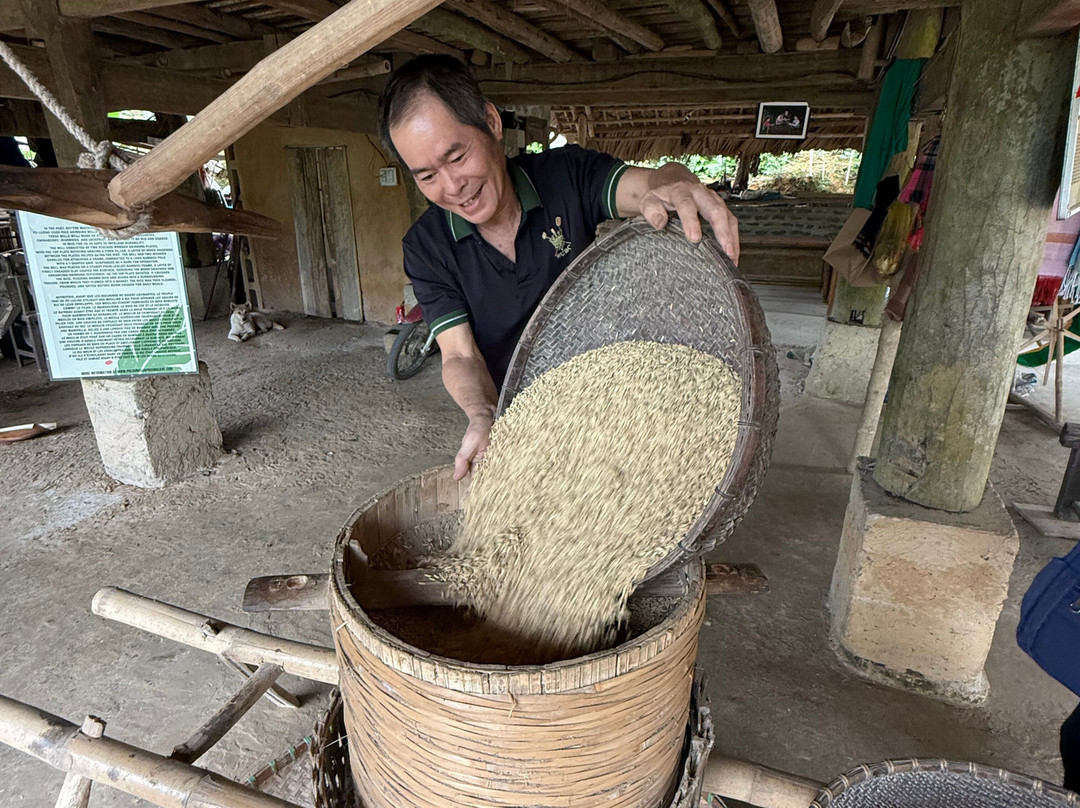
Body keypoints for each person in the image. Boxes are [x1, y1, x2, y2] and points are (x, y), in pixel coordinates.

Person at [378, 55, 739, 480]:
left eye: (457, 157)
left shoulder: (565, 175)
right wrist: (482, 414)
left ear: (491, 123)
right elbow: (459, 354)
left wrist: (675, 183)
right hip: (519, 415)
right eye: (427, 176)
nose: (453, 187)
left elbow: (650, 182)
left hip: (608, 395)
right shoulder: (427, 246)